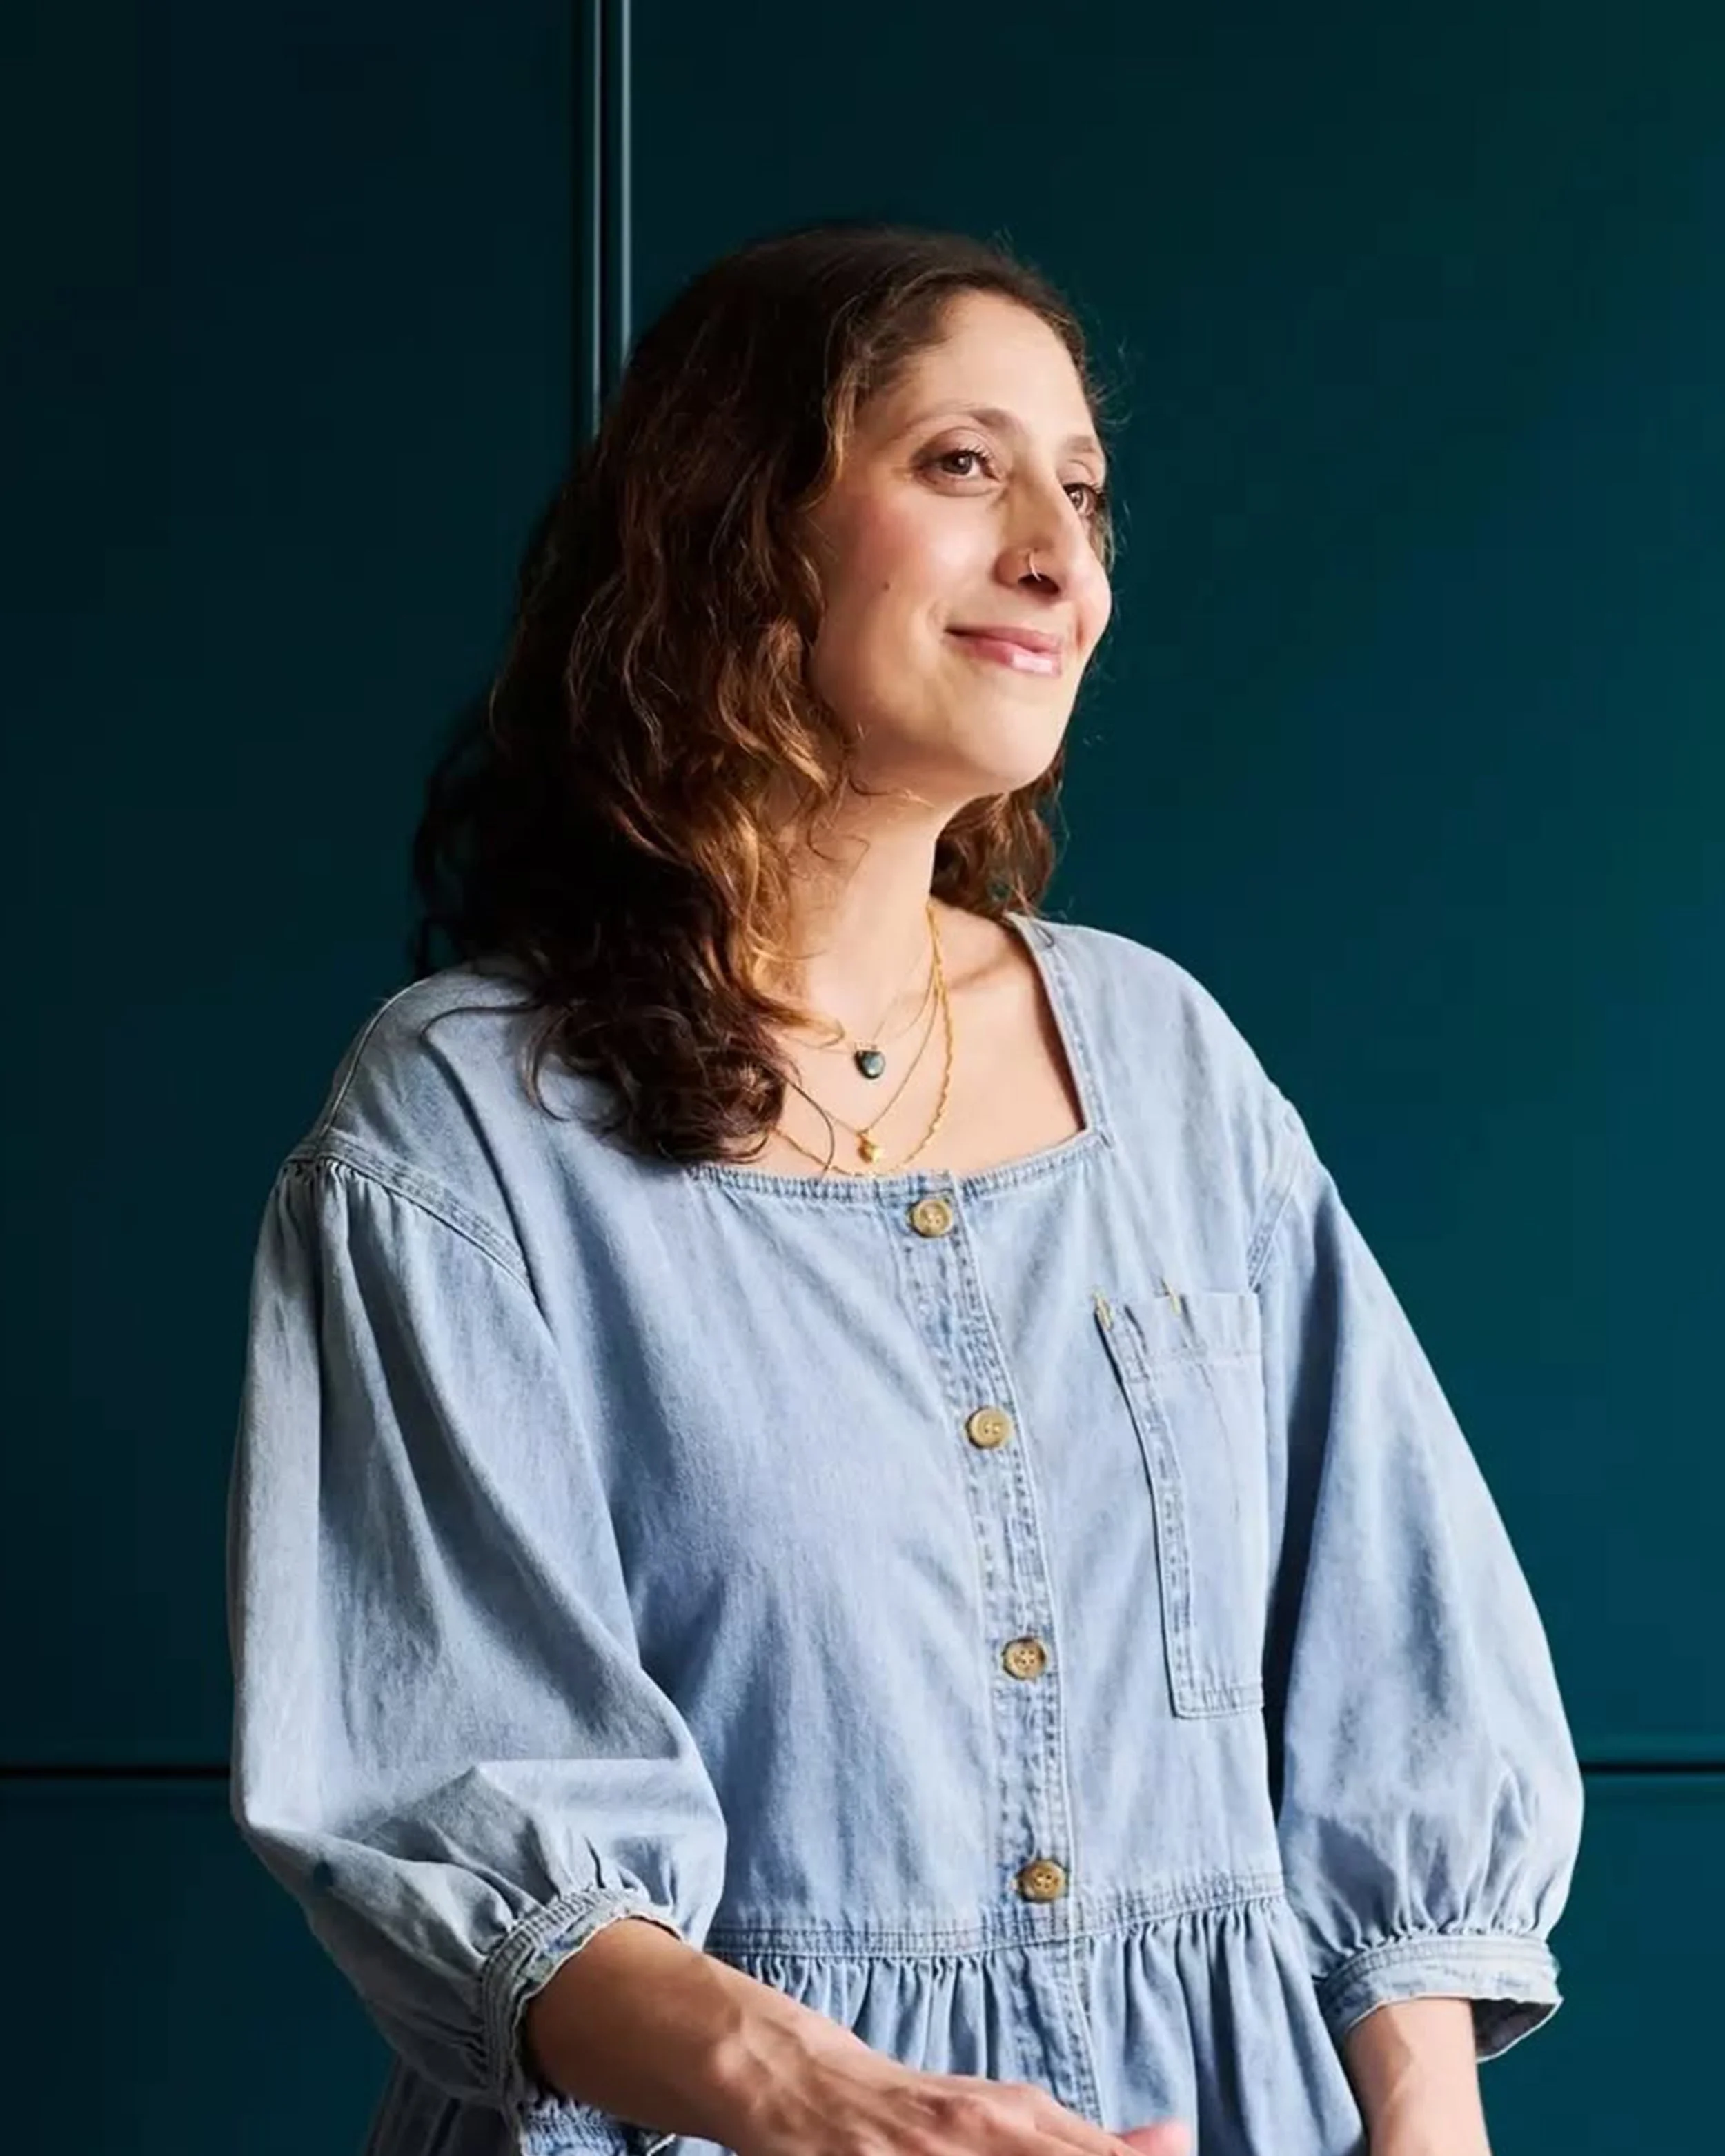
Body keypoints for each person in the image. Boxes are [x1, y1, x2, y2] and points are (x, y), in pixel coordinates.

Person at [225, 221, 1584, 2156]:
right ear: (737, 525)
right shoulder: (461, 1126)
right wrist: (836, 2103)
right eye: (963, 465)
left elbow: (1391, 1648)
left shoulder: (1164, 1062)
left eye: (1084, 492)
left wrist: (1424, 2125)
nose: (1060, 556)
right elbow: (451, 1781)